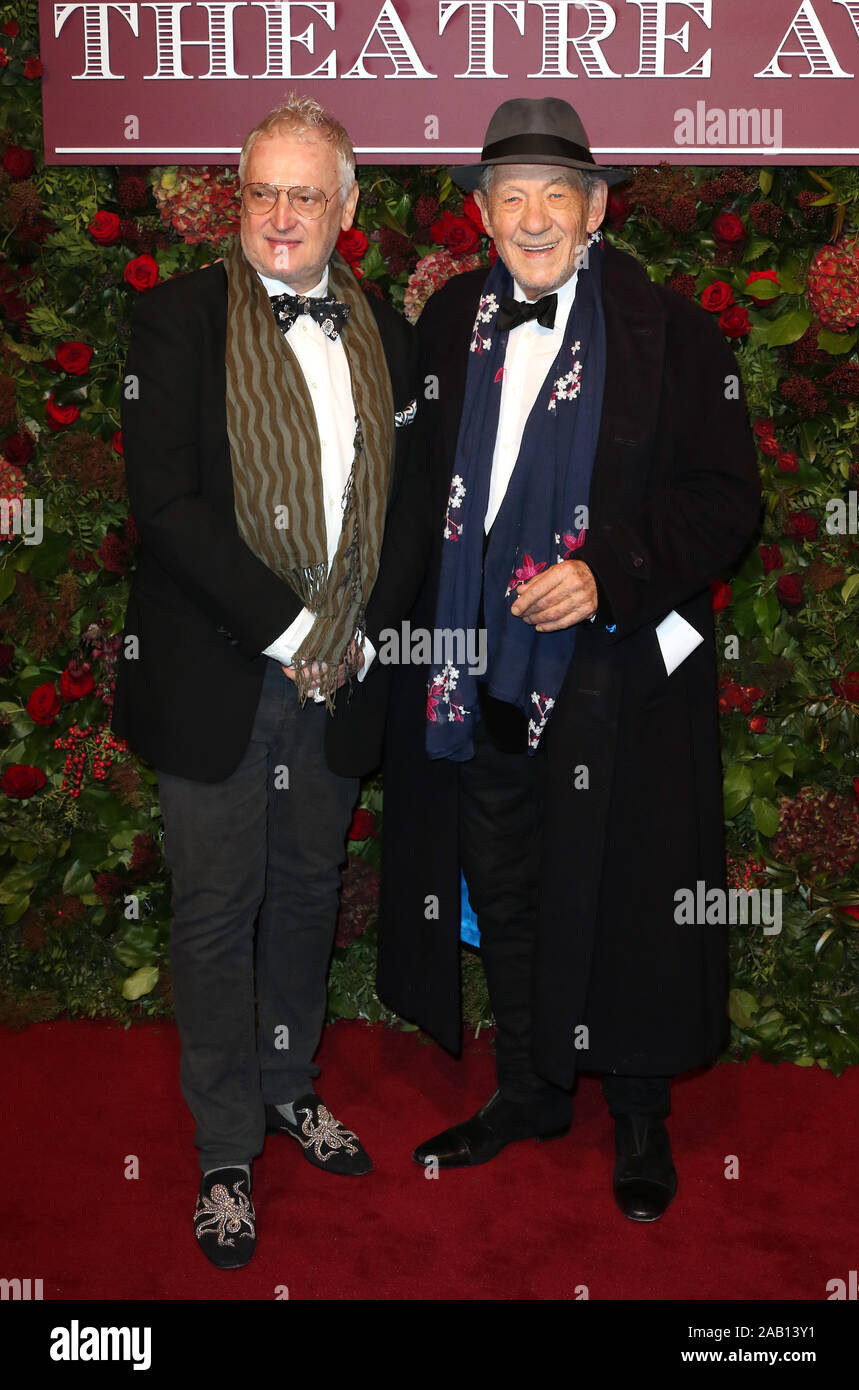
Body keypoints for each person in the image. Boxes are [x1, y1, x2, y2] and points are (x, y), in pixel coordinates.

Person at [377, 97, 761, 1222]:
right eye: (510, 196)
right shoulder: (447, 324)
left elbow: (723, 500)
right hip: (474, 671)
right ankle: (531, 1086)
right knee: (502, 878)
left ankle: (637, 1109)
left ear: (594, 210)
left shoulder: (673, 334)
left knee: (629, 886)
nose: (533, 217)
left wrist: (612, 572)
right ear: (482, 215)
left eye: (557, 194)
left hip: (613, 674)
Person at [111, 94, 426, 1267]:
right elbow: (169, 510)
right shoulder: (175, 323)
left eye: (306, 193)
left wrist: (358, 630)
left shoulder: (389, 333)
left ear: (346, 209)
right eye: (260, 192)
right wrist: (294, 625)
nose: (280, 214)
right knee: (212, 908)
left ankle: (292, 1083)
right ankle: (225, 1147)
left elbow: (404, 517)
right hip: (219, 673)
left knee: (305, 891)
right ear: (235, 203)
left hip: (340, 673)